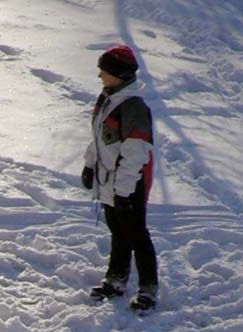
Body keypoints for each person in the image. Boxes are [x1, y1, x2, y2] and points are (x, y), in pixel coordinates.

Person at [82, 45, 159, 312]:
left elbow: (135, 154)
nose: (100, 76)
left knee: (137, 234)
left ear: (119, 74)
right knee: (118, 231)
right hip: (109, 180)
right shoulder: (108, 98)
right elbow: (99, 137)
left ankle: (148, 289)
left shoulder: (133, 108)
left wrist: (124, 192)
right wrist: (90, 163)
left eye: (104, 71)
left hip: (130, 181)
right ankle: (116, 280)